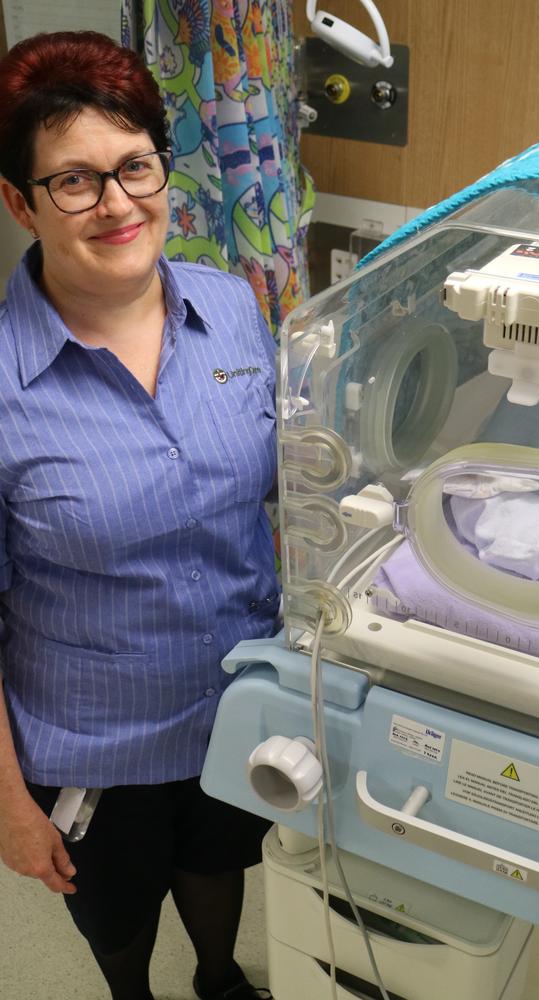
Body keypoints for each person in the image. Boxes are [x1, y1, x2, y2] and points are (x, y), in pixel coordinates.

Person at [0, 30, 279, 1000]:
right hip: (92, 741)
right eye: (74, 181)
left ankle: (214, 974)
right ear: (19, 201)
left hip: (237, 698)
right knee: (115, 908)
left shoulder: (231, 308)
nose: (117, 203)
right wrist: (7, 803)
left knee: (218, 860)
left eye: (134, 167)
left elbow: (284, 485)